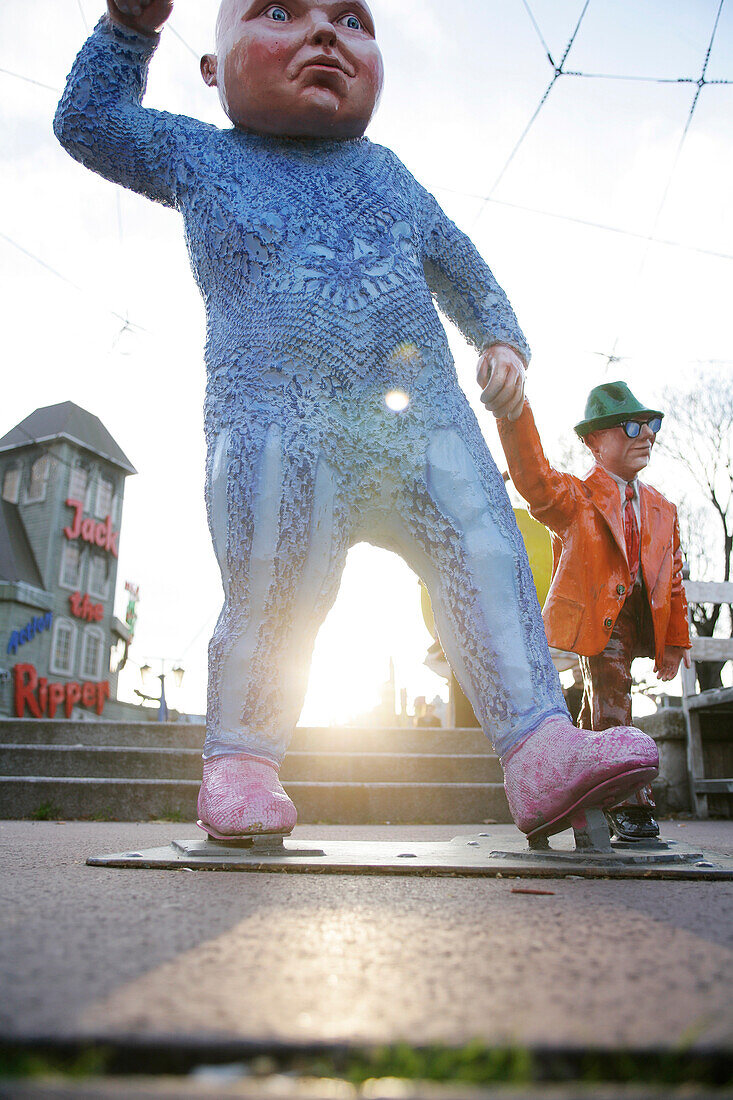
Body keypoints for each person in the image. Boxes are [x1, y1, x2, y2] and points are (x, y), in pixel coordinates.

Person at [54, 0, 659, 843]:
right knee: (272, 583)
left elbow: (457, 259)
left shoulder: (385, 172)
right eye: (278, 12)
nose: (324, 33)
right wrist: (127, 28)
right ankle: (242, 761)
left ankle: (538, 744)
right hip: (274, 416)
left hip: (422, 423)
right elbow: (88, 122)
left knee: (485, 552)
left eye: (351, 19)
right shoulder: (201, 156)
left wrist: (500, 337)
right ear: (210, 69)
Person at [494, 380, 691, 840]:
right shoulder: (577, 499)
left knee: (597, 701)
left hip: (642, 619)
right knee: (611, 686)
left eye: (650, 425)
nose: (645, 435)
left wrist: (677, 638)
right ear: (594, 442)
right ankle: (627, 798)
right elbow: (535, 482)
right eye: (629, 426)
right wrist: (513, 411)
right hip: (601, 620)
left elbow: (673, 575)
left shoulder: (663, 508)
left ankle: (577, 775)